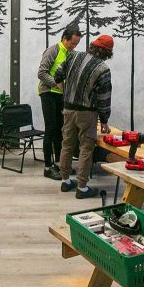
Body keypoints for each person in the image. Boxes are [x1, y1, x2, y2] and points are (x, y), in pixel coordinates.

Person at [54, 34, 113, 199]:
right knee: (86, 149)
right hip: (87, 113)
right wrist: (105, 120)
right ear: (107, 53)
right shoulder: (103, 69)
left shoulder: (74, 56)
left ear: (92, 46)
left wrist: (65, 94)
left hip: (68, 109)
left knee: (67, 144)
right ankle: (82, 187)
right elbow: (104, 98)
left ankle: (65, 181)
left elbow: (57, 76)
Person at [37, 25, 82, 179]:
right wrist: (56, 83)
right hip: (48, 93)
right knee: (50, 128)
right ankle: (47, 167)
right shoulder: (53, 50)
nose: (74, 46)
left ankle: (60, 164)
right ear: (64, 39)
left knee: (60, 130)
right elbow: (41, 73)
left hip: (61, 96)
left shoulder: (72, 54)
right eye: (72, 43)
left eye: (76, 44)